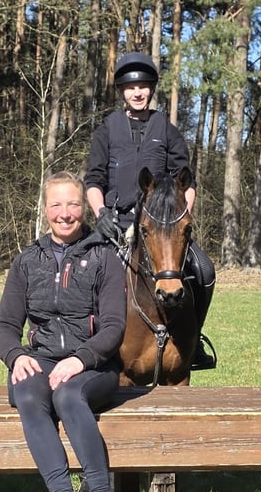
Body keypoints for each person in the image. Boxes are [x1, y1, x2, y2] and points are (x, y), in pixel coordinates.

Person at [0, 171, 128, 492]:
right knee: (27, 392)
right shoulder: (26, 261)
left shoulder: (105, 258)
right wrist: (16, 354)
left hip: (95, 367)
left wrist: (82, 359)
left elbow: (115, 327)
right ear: (44, 209)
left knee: (68, 396)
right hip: (41, 359)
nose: (65, 213)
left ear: (84, 209)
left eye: (72, 204)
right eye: (56, 204)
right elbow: (5, 323)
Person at [84, 51, 217, 370]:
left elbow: (187, 180)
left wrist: (180, 219)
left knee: (204, 270)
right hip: (116, 225)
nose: (138, 92)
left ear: (152, 89)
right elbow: (93, 179)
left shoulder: (166, 129)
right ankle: (85, 342)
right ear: (121, 92)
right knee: (87, 273)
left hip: (161, 228)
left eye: (143, 86)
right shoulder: (107, 129)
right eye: (131, 88)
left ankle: (193, 339)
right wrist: (100, 213)